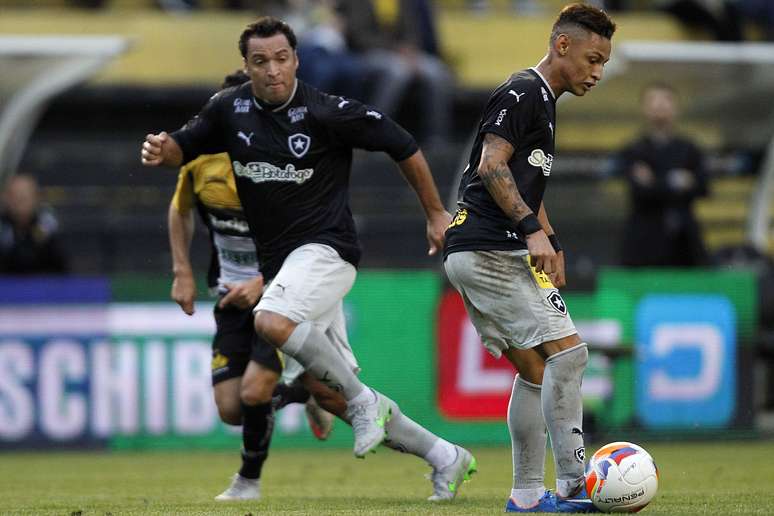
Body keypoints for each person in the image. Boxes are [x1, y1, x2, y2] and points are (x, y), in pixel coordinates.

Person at [142, 16, 476, 501]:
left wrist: (436, 213)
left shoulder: (327, 111)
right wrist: (161, 148)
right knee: (327, 393)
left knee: (272, 324)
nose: (272, 70)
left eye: (281, 59)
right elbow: (180, 148)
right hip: (288, 271)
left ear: (296, 60)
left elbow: (403, 143)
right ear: (247, 66)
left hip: (327, 252)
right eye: (261, 62)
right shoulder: (228, 111)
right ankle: (446, 456)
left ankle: (354, 412)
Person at [443, 3, 615, 513]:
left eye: (603, 62)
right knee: (570, 354)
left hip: (483, 248)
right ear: (563, 45)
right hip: (491, 247)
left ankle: (524, 497)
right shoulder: (523, 91)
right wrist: (529, 234)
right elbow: (491, 165)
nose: (598, 73)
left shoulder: (543, 101)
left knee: (537, 371)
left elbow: (526, 186)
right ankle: (571, 484)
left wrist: (550, 240)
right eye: (593, 58)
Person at [168, 69, 340, 501]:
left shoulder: (280, 164)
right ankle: (304, 393)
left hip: (282, 294)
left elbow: (308, 235)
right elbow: (180, 211)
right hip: (229, 295)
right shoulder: (198, 162)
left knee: (253, 391)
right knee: (230, 409)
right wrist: (182, 271)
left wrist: (263, 282)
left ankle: (248, 482)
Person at [615, 82, 708, 267]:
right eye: (654, 101)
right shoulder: (633, 150)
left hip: (685, 243)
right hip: (642, 243)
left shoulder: (689, 149)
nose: (660, 106)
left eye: (665, 100)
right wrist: (676, 181)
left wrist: (655, 181)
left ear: (676, 107)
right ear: (644, 108)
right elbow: (639, 190)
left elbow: (703, 187)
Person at [337, 0, 454, 146]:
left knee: (438, 72)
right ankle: (373, 132)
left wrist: (411, 49)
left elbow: (413, 29)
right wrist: (394, 49)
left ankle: (437, 139)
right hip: (368, 53)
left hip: (405, 53)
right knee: (398, 72)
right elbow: (359, 36)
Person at [0, 173, 68, 274]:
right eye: (14, 196)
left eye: (24, 196)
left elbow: (62, 268)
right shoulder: (2, 227)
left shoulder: (49, 227)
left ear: (36, 198)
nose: (19, 201)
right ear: (5, 198)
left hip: (44, 286)